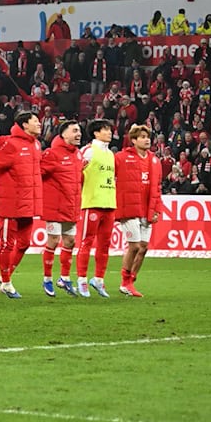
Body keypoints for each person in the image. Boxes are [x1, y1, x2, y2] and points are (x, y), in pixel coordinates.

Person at [0, 111, 43, 299]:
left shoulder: (36, 144)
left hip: (28, 203)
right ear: (24, 125)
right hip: (11, 203)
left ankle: (3, 278)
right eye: (35, 121)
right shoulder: (12, 144)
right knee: (7, 244)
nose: (39, 124)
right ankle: (6, 283)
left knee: (24, 244)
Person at [115, 125, 163, 297]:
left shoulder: (155, 160)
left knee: (143, 248)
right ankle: (124, 281)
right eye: (142, 137)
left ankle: (131, 281)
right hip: (129, 208)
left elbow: (157, 187)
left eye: (147, 136)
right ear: (133, 140)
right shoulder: (121, 157)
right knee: (134, 246)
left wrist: (157, 208)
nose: (146, 139)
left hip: (147, 209)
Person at [40, 121, 83, 297]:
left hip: (71, 206)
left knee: (70, 241)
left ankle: (64, 278)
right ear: (63, 134)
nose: (79, 134)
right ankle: (47, 279)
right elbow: (37, 174)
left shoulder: (78, 154)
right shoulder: (52, 154)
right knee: (53, 240)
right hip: (54, 206)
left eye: (79, 130)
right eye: (75, 131)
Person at [76, 119, 117, 298]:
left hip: (109, 203)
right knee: (87, 242)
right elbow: (77, 173)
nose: (109, 132)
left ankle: (99, 279)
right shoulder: (88, 151)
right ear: (96, 133)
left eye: (110, 129)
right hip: (92, 203)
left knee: (105, 244)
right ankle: (82, 280)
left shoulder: (111, 154)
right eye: (105, 129)